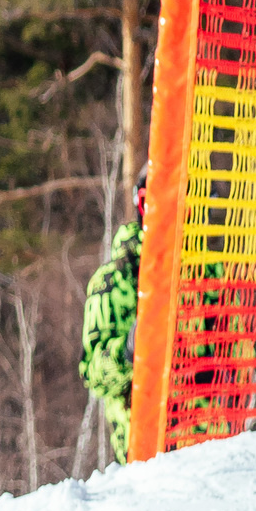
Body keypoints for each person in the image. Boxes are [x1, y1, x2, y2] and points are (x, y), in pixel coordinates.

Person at [81, 172, 144, 464]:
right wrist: (127, 351)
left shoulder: (209, 272)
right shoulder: (115, 280)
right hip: (147, 455)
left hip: (215, 449)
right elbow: (93, 374)